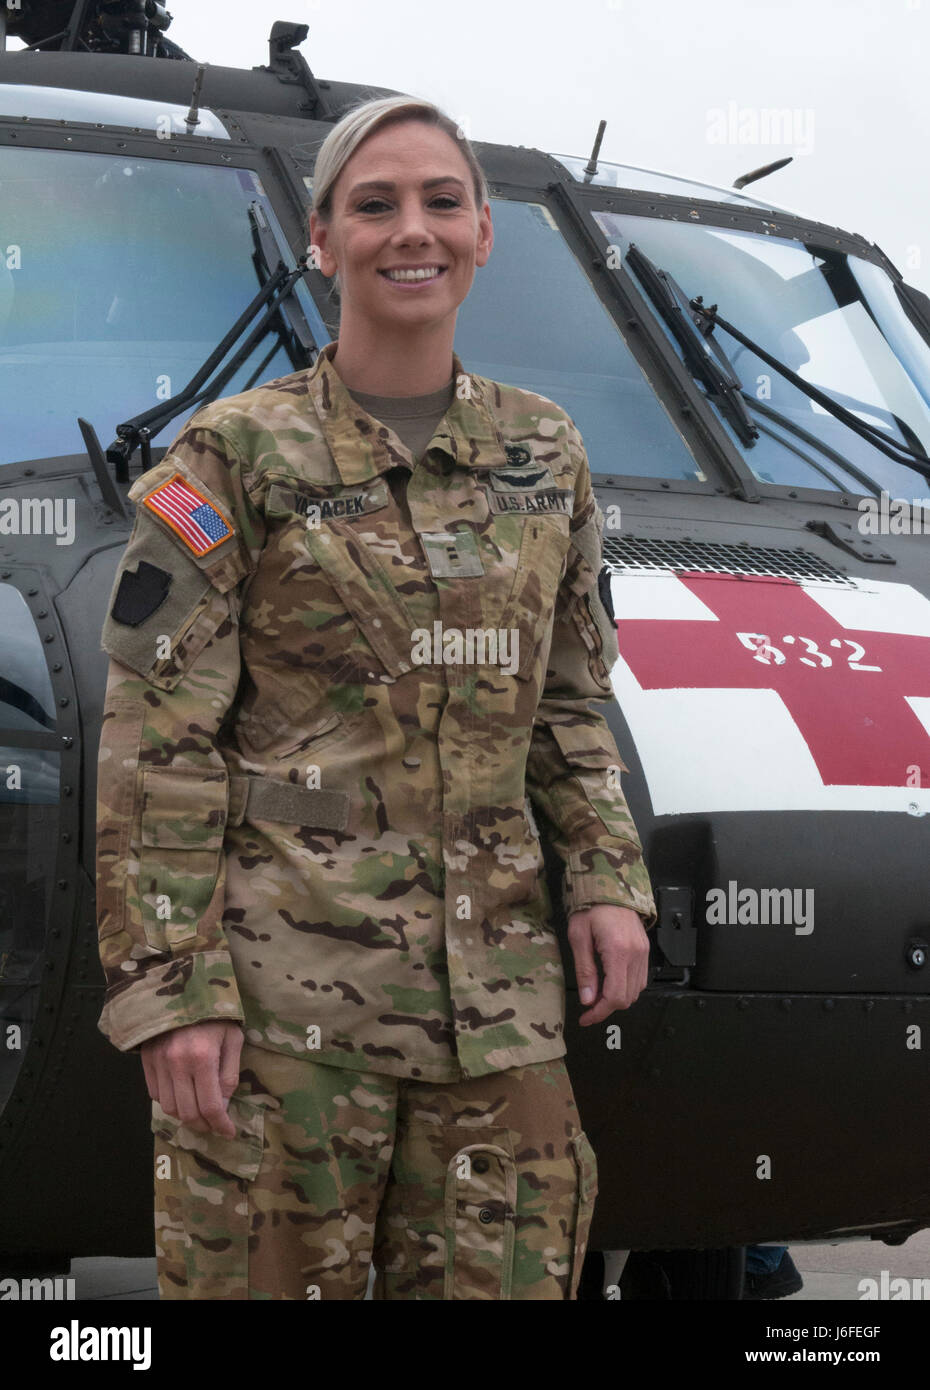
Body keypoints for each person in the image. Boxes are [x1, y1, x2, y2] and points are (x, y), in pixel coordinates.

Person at [94, 93, 657, 1300]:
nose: (415, 231)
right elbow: (160, 740)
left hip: (499, 1019)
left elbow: (569, 700)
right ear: (321, 237)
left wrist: (609, 879)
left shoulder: (544, 453)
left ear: (485, 232)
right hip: (284, 1019)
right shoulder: (234, 458)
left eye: (442, 201)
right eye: (377, 205)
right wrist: (170, 989)